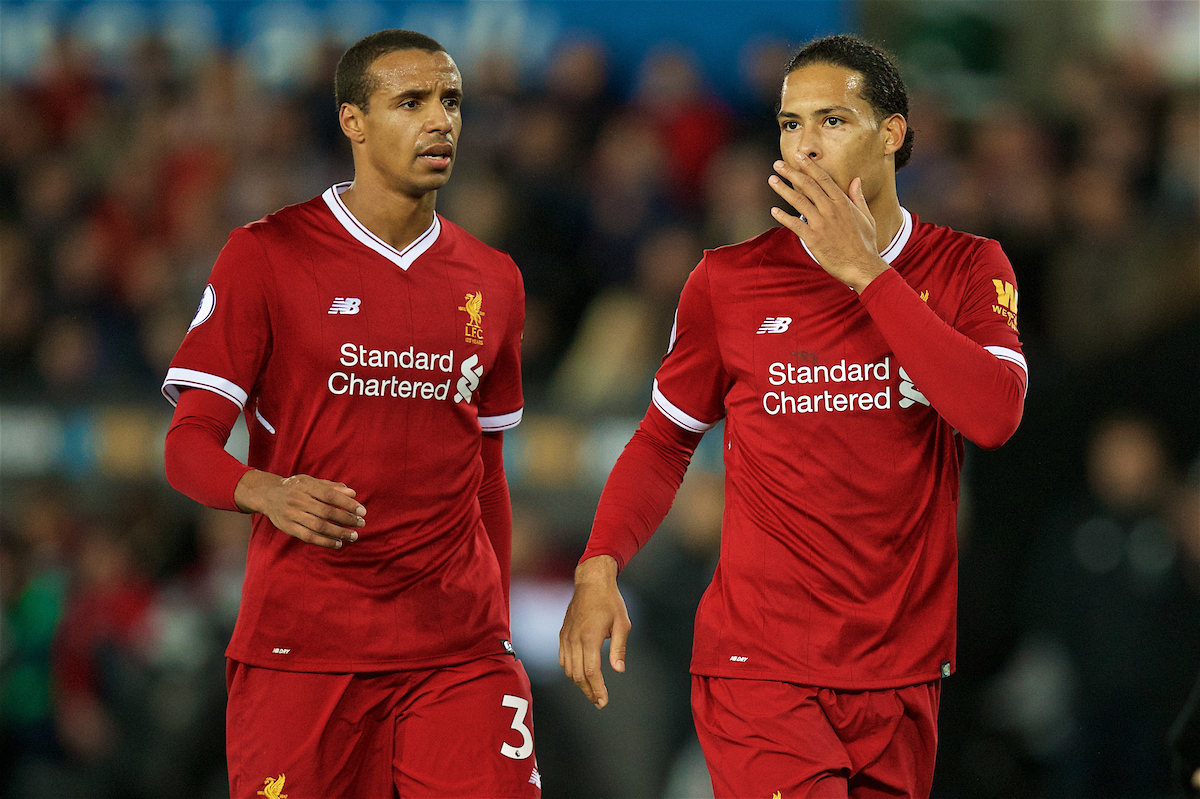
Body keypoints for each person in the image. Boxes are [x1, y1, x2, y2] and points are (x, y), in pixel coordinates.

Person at [559, 34, 1027, 798]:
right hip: (760, 668)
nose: (804, 145)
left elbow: (994, 414)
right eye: (789, 124)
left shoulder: (969, 267)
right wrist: (600, 560)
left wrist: (867, 274)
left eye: (832, 121)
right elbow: (664, 440)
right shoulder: (728, 282)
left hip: (901, 671)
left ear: (892, 134)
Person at [161, 29, 540, 799]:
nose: (442, 121)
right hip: (304, 646)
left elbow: (486, 474)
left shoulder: (494, 280)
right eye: (412, 102)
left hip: (457, 652)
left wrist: (495, 619)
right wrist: (267, 490)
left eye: (452, 101)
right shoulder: (267, 254)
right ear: (352, 121)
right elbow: (188, 443)